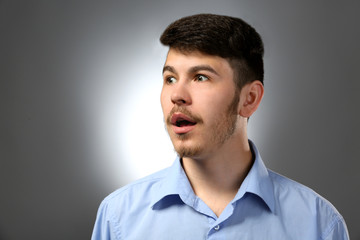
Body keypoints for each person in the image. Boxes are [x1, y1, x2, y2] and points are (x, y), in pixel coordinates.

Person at [91, 13, 349, 239]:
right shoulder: (117, 218)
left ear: (249, 99)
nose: (176, 95)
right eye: (170, 78)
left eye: (200, 77)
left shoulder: (319, 225)